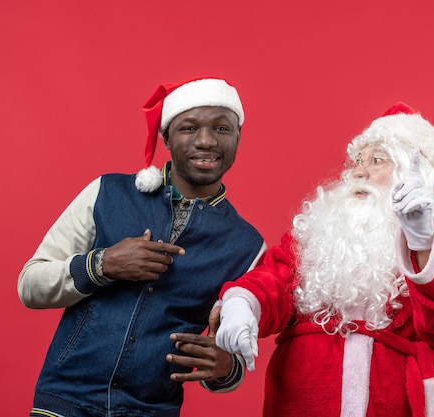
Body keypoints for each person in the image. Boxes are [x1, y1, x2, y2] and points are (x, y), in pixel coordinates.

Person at [18, 77, 266, 417]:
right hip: (65, 402)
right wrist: (102, 265)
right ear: (166, 136)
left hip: (152, 411)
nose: (206, 140)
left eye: (222, 128)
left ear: (238, 137)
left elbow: (231, 352)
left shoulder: (247, 246)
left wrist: (226, 368)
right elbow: (30, 286)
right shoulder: (107, 193)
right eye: (189, 128)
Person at [214, 102, 434, 417]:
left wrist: (423, 241)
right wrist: (241, 306)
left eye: (377, 160)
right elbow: (271, 280)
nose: (358, 171)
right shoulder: (314, 238)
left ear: (416, 176)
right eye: (356, 161)